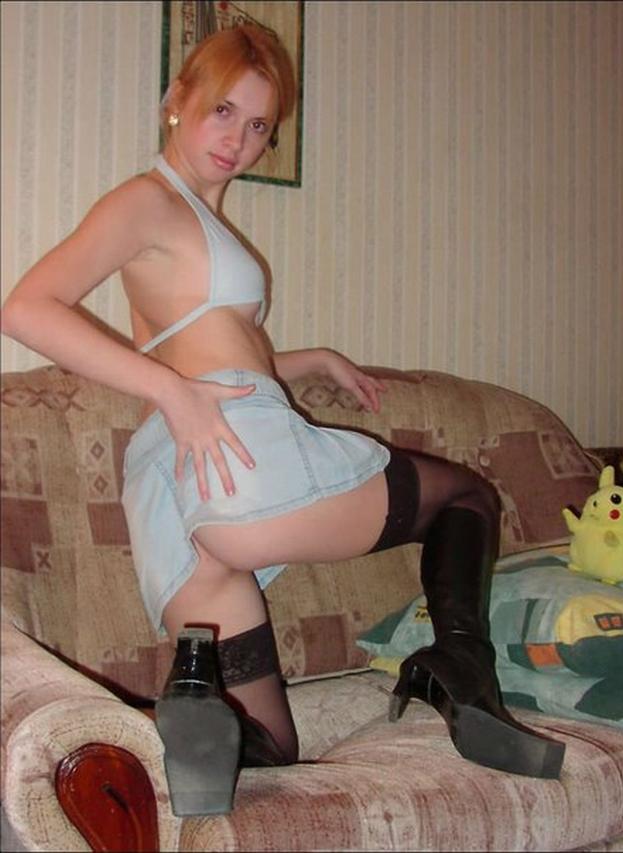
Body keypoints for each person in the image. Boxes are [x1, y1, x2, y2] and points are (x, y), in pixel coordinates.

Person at [1, 23, 565, 818]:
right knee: (466, 496)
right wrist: (175, 393)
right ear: (175, 101)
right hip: (230, 452)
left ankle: (183, 703)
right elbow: (26, 307)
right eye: (223, 111)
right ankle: (462, 669)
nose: (238, 139)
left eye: (259, 123)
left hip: (178, 485)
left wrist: (310, 359)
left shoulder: (190, 218)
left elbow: (200, 346)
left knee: (268, 740)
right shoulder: (148, 200)